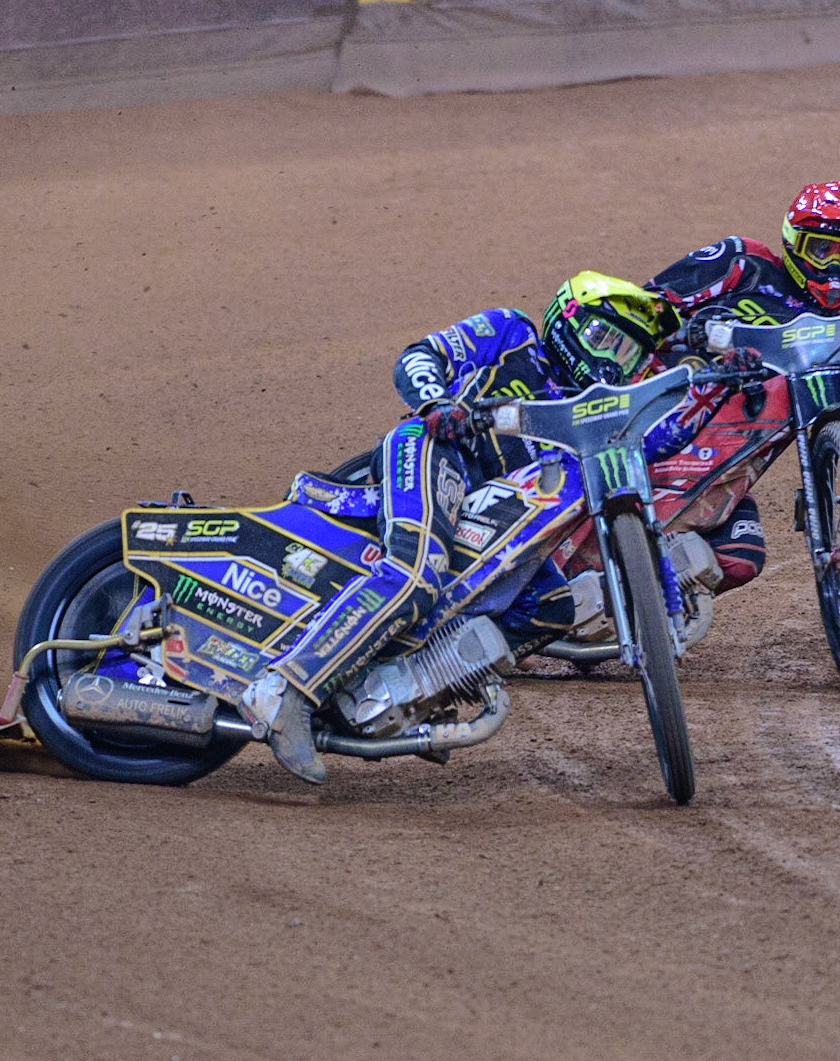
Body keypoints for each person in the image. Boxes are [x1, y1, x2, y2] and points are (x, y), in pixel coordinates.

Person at [239, 273, 759, 784]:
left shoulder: (595, 417)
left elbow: (656, 442)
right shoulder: (512, 333)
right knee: (417, 572)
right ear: (567, 320)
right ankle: (287, 692)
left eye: (626, 354)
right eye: (604, 339)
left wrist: (718, 389)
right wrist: (438, 404)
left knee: (553, 605)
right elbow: (419, 356)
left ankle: (416, 688)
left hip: (490, 514)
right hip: (436, 452)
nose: (609, 360)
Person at [646, 181, 840, 590]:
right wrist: (686, 330)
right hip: (653, 430)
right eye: (821, 250)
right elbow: (643, 307)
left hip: (721, 477)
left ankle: (644, 622)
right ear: (794, 244)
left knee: (741, 560)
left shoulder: (833, 337)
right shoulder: (742, 263)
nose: (834, 268)